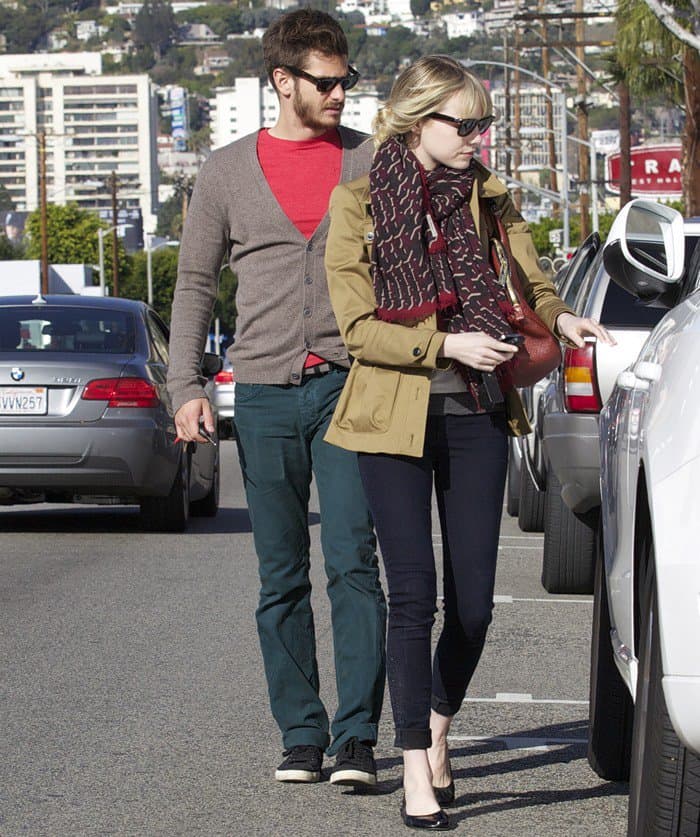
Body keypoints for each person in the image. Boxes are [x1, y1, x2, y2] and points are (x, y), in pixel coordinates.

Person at [323, 55, 615, 830]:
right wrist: (445, 345)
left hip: (479, 413)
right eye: (466, 123)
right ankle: (415, 763)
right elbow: (357, 328)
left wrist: (562, 321)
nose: (478, 137)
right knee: (412, 593)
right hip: (391, 416)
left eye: (483, 123)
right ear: (417, 119)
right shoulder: (358, 205)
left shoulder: (488, 198)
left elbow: (534, 280)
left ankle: (439, 721)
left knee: (477, 606)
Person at [166, 9, 386, 787]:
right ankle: (302, 732)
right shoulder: (226, 171)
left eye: (346, 80)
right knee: (280, 571)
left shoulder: (369, 160)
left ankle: (357, 737)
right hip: (260, 392)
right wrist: (185, 385)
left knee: (354, 560)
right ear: (282, 81)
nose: (339, 94)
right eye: (325, 82)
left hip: (354, 386)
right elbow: (195, 282)